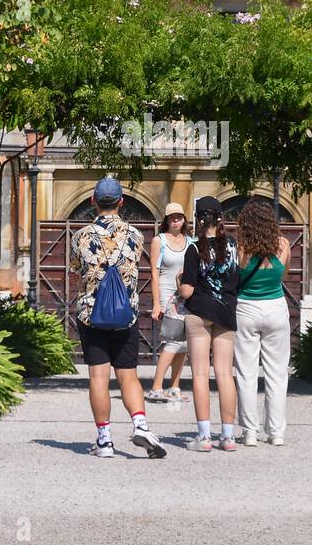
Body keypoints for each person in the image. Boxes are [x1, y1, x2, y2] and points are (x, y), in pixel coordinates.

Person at [69, 176, 167, 460]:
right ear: (121, 202)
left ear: (93, 201)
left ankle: (104, 440)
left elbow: (77, 270)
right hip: (126, 315)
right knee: (129, 375)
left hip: (92, 313)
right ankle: (141, 424)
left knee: (99, 376)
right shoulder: (136, 236)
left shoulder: (81, 236)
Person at [178, 196, 239, 452]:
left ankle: (204, 437)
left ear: (198, 219)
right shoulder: (234, 245)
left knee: (201, 374)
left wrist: (180, 280)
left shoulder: (193, 248)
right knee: (225, 374)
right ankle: (228, 437)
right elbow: (238, 279)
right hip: (225, 312)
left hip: (200, 312)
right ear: (221, 217)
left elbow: (188, 292)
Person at [232, 198, 292, 447]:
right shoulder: (283, 245)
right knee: (277, 374)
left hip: (246, 307)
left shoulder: (241, 248)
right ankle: (276, 432)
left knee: (246, 373)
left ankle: (249, 432)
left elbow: (235, 277)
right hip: (276, 307)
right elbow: (283, 276)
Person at [147, 203, 192, 403]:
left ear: (184, 219)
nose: (175, 220)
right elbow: (154, 273)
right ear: (166, 219)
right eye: (171, 216)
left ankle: (174, 386)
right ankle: (156, 387)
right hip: (167, 295)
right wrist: (157, 303)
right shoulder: (159, 241)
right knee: (172, 341)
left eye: (179, 216)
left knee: (184, 342)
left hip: (186, 295)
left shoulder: (191, 241)